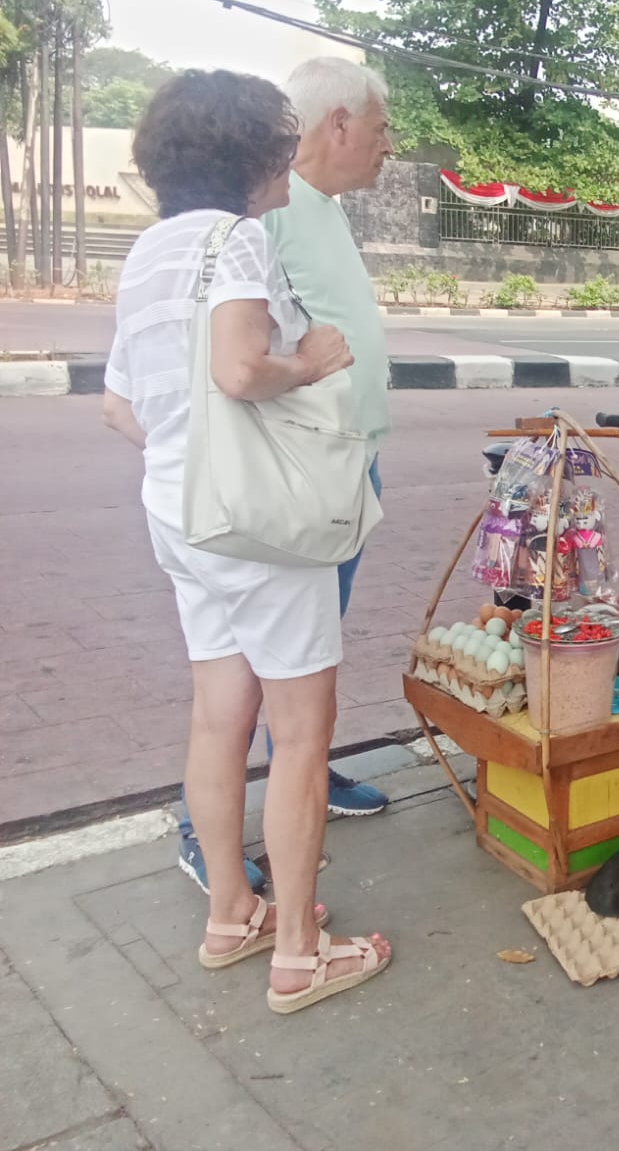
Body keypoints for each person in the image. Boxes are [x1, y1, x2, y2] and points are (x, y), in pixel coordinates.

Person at [102, 69, 391, 1010]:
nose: (287, 158)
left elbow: (121, 406)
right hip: (261, 529)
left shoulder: (146, 255)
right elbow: (237, 368)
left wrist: (193, 455)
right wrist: (308, 358)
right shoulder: (237, 241)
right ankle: (302, 950)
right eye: (277, 143)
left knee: (217, 715)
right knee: (301, 735)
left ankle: (233, 913)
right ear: (250, 157)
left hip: (181, 519)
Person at [173, 57, 396, 893]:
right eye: (378, 129)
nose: (385, 148)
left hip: (345, 463)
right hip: (291, 477)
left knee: (307, 663)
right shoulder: (264, 211)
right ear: (336, 124)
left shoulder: (322, 211)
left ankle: (303, 773)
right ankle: (208, 827)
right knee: (253, 672)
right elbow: (244, 351)